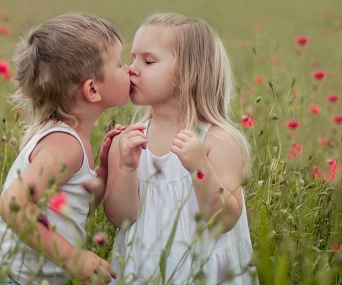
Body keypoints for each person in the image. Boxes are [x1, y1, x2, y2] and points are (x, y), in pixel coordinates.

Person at [0, 14, 130, 285]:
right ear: (92, 89)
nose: (129, 69)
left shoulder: (66, 140)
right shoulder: (65, 145)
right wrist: (72, 257)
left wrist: (103, 171)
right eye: (120, 63)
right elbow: (14, 205)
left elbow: (69, 209)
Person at [104, 13, 258, 285]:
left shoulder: (217, 141)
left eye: (148, 61)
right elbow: (121, 217)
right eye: (132, 57)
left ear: (188, 74)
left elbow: (224, 220)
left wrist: (200, 169)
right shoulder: (129, 140)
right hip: (142, 270)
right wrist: (127, 168)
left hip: (202, 273)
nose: (132, 68)